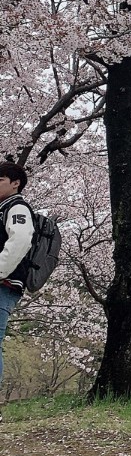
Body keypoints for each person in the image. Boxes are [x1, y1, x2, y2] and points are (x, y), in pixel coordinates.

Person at [0, 161, 33, 422]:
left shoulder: (17, 207)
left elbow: (21, 239)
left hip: (5, 285)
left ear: (15, 183)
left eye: (0, 180)